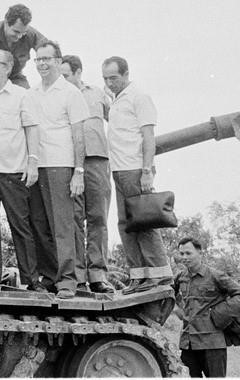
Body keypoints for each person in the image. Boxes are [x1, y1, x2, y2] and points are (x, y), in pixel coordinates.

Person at [103, 55, 172, 293]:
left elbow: (148, 137)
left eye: (113, 78)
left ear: (125, 74)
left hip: (134, 168)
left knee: (143, 221)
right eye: (106, 79)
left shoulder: (139, 97)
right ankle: (139, 276)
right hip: (118, 169)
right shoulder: (115, 101)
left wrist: (146, 170)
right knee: (126, 224)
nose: (110, 83)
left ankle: (159, 273)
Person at [0, 49, 42, 290]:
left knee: (20, 225)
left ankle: (31, 280)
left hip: (12, 169)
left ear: (7, 68)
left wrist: (32, 161)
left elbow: (32, 128)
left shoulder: (21, 95)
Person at [28, 40, 88, 299]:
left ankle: (67, 280)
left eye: (46, 59)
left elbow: (78, 136)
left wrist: (78, 171)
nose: (42, 64)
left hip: (61, 165)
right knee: (40, 224)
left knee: (62, 225)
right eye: (38, 59)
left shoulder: (70, 92)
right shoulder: (32, 93)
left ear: (57, 61)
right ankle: (50, 276)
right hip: (36, 166)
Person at [60, 55, 115, 293]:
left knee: (98, 218)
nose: (63, 80)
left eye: (67, 75)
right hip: (69, 163)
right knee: (73, 219)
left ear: (78, 72)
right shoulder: (57, 95)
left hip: (97, 161)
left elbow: (117, 120)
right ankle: (78, 276)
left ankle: (98, 275)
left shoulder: (97, 94)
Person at [174, 237, 240, 377]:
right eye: (181, 253)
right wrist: (177, 309)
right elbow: (170, 294)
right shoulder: (180, 277)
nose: (184, 257)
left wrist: (218, 314)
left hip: (212, 345)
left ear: (200, 253)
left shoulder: (216, 276)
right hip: (188, 343)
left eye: (188, 253)